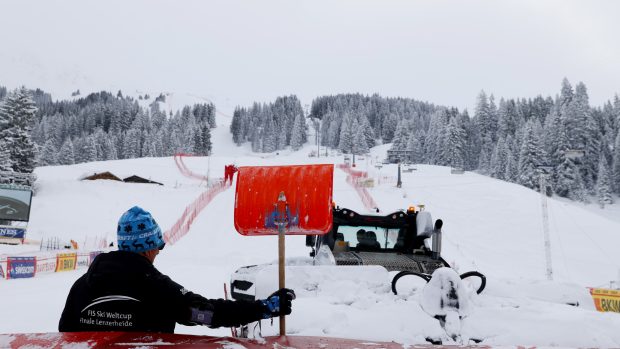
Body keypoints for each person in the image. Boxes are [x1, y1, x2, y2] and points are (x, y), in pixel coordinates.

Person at [59, 206, 295, 333]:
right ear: (148, 248)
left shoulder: (82, 285)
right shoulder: (155, 287)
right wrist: (264, 308)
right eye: (158, 246)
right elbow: (206, 314)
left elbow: (65, 332)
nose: (159, 252)